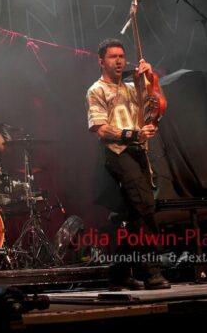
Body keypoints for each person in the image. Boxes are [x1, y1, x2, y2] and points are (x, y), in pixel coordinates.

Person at [85, 39, 171, 291]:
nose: (119, 61)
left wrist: (151, 80)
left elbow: (158, 108)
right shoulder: (96, 90)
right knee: (145, 206)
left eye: (121, 56)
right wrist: (133, 134)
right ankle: (151, 271)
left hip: (138, 152)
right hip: (117, 152)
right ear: (101, 61)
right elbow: (101, 129)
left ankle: (119, 272)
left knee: (136, 215)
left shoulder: (134, 87)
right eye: (113, 56)